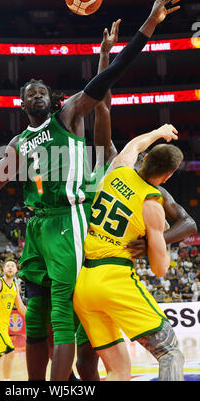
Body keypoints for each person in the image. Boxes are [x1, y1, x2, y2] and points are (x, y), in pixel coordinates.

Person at [0, 0, 181, 381]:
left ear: (51, 101)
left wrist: (148, 26)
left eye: (41, 92)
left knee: (67, 323)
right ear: (21, 105)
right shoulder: (18, 144)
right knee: (35, 320)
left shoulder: (67, 116)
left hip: (72, 218)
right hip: (37, 226)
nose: (35, 94)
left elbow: (108, 80)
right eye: (27, 92)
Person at [74, 124, 185, 381]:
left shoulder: (119, 168)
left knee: (118, 371)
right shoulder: (152, 204)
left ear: (144, 159)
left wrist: (159, 131)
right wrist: (154, 238)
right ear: (167, 177)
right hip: (115, 279)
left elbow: (135, 144)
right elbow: (160, 269)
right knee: (170, 352)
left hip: (84, 283)